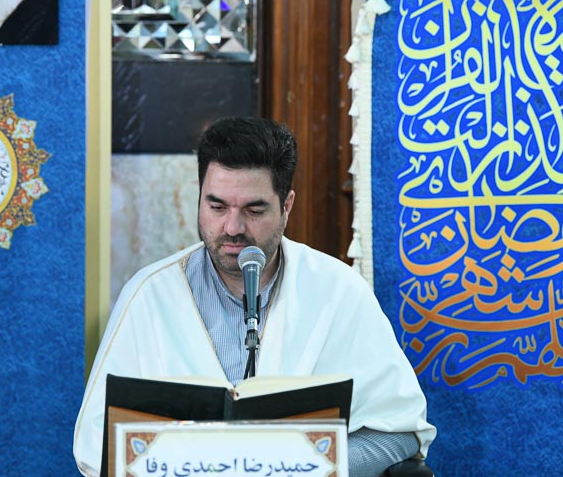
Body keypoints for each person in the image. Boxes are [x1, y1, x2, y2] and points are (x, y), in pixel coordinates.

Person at [73, 117, 436, 477]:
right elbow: (96, 447)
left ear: (286, 206)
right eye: (217, 207)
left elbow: (399, 432)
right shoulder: (149, 296)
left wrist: (306, 470)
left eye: (254, 210)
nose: (233, 228)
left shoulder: (337, 291)